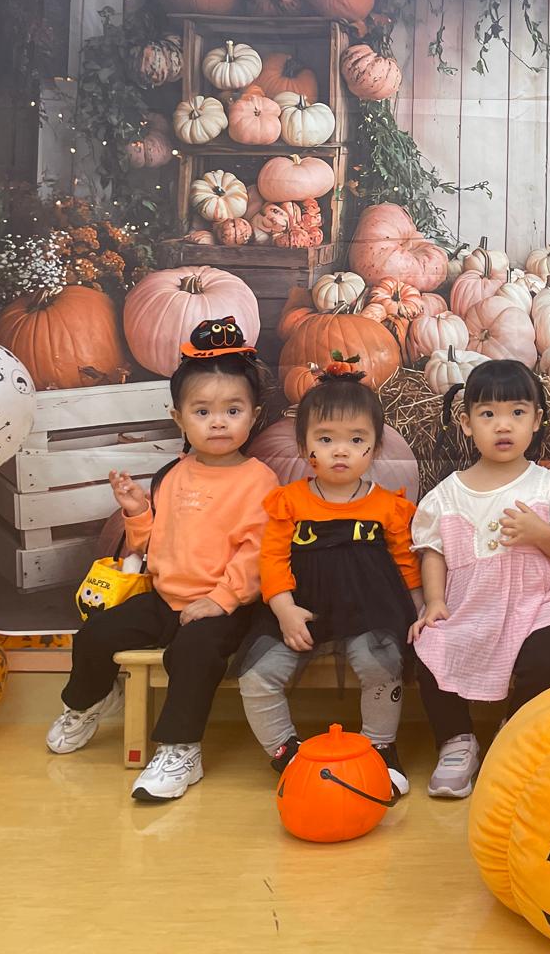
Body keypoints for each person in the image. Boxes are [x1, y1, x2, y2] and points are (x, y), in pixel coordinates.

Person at [45, 317, 277, 802]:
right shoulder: (173, 473)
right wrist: (137, 512)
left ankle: (180, 748)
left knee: (192, 654)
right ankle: (88, 700)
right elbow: (151, 544)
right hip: (164, 596)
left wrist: (222, 599)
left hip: (222, 606)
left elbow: (257, 552)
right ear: (179, 419)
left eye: (233, 410)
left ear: (254, 416)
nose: (218, 422)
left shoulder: (259, 480)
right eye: (203, 411)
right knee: (96, 633)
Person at [235, 360, 419, 795]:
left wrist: (419, 607)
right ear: (303, 447)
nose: (341, 451)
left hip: (369, 608)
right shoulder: (289, 502)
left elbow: (406, 562)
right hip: (302, 609)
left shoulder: (387, 506)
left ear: (375, 447)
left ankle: (380, 747)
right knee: (256, 675)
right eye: (325, 439)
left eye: (356, 440)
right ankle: (285, 751)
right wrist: (284, 609)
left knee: (382, 664)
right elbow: (272, 558)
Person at [408, 359, 550, 799]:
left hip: (532, 605)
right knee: (431, 648)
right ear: (467, 424)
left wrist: (540, 534)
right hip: (470, 606)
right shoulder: (446, 495)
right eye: (488, 414)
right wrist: (434, 603)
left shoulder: (549, 486)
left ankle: (516, 731)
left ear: (536, 420)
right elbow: (433, 553)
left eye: (517, 413)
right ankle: (456, 740)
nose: (503, 425)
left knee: (548, 658)